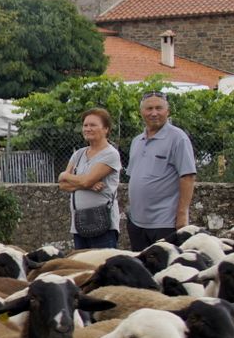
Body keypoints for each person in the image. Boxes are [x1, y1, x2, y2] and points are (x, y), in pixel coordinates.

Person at [126, 91, 196, 250]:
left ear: (168, 111)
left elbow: (188, 177)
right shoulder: (137, 141)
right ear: (141, 112)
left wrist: (182, 214)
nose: (154, 113)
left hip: (165, 222)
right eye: (149, 108)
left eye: (159, 108)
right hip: (137, 223)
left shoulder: (178, 138)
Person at [59, 107, 122, 250]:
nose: (88, 129)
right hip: (79, 223)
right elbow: (62, 185)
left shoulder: (110, 154)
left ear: (106, 129)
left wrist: (67, 176)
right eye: (85, 125)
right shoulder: (79, 154)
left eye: (93, 125)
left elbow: (84, 180)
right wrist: (87, 184)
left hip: (102, 224)